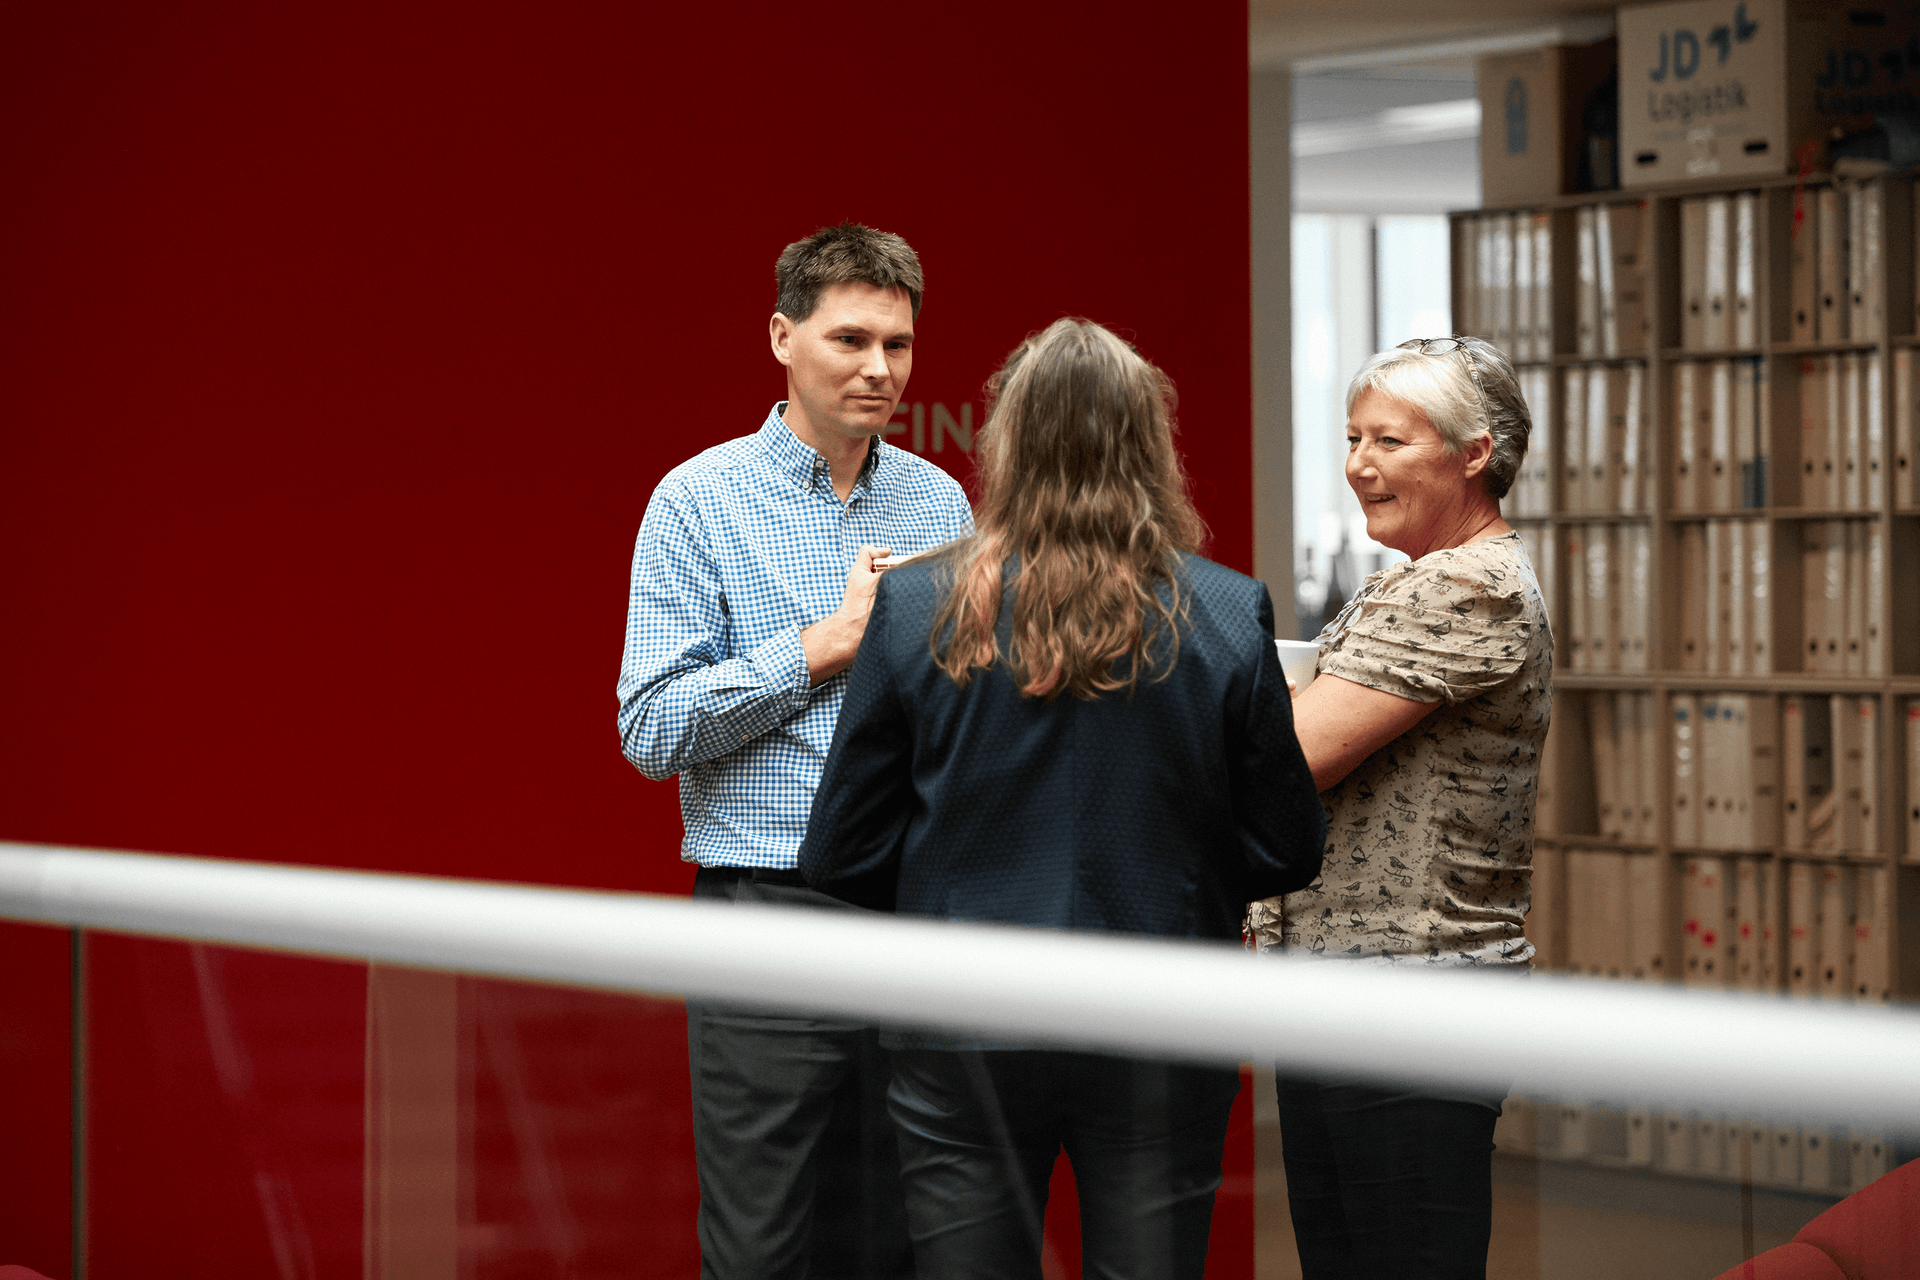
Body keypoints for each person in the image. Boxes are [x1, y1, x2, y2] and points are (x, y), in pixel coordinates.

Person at [798, 318, 1326, 1280]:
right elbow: (1290, 846)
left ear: (1007, 442)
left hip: (958, 1017)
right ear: (1150, 445)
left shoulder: (916, 606)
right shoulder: (1222, 610)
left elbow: (839, 847)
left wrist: (943, 902)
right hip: (1165, 1014)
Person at [617, 221, 972, 1280]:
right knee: (763, 1244)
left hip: (917, 911)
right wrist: (826, 645)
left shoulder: (940, 501)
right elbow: (650, 728)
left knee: (903, 1241)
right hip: (767, 913)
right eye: (850, 339)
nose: (879, 369)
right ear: (782, 336)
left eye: (899, 346)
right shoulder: (697, 500)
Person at [1246, 335, 1552, 1280]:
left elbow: (1291, 756)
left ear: (1475, 452)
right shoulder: (1411, 579)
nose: (1359, 466)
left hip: (1412, 996)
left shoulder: (1471, 586)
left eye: (1390, 441)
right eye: (1352, 438)